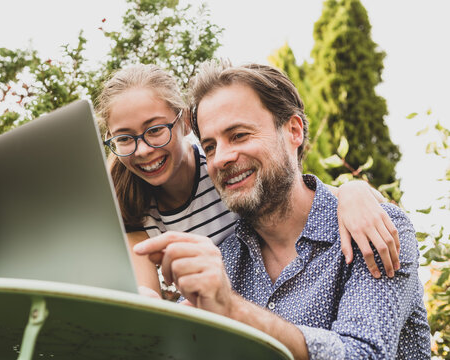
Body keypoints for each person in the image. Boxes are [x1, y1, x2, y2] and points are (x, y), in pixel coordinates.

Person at [133, 61, 431, 359]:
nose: (221, 158)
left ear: (293, 130)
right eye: (209, 147)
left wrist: (233, 309)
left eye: (239, 135)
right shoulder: (224, 264)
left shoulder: (374, 229)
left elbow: (364, 354)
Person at [96, 64, 400, 295]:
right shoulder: (130, 206)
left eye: (155, 130)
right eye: (124, 138)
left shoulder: (222, 168)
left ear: (185, 122)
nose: (144, 149)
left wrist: (353, 190)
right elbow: (146, 296)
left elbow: (298, 190)